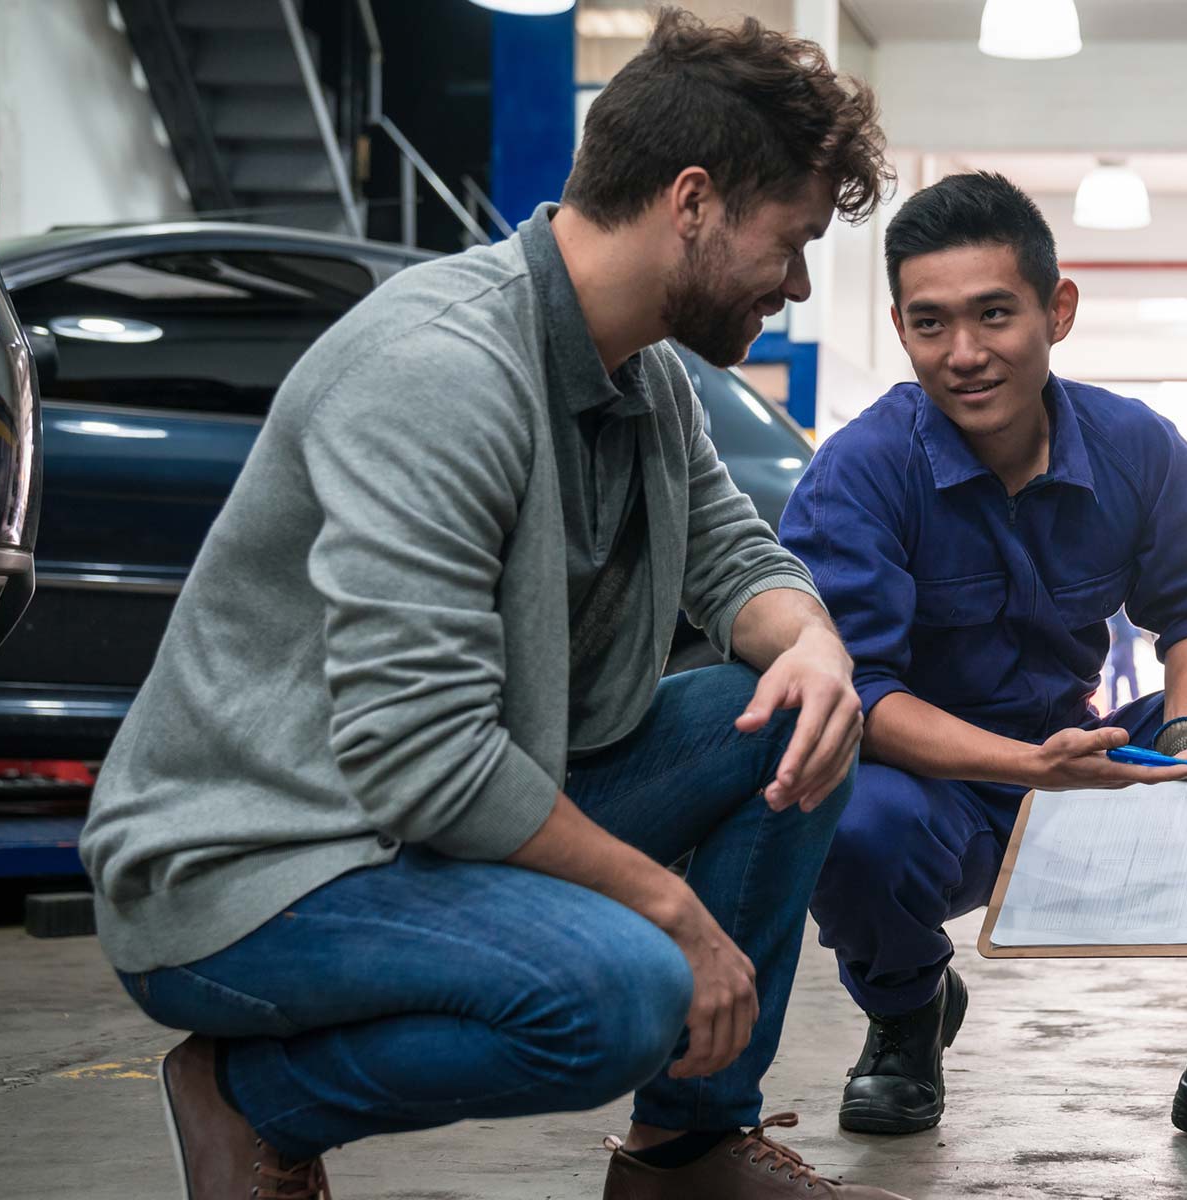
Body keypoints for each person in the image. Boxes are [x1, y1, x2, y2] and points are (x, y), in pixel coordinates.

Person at [77, 11, 908, 1200]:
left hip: (429, 820)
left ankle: (687, 1146)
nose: (795, 282)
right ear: (691, 200)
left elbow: (736, 562)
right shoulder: (439, 371)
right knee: (625, 988)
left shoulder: (646, 380)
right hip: (258, 869)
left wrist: (815, 646)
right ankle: (247, 1099)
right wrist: (670, 907)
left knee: (798, 715)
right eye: (789, 242)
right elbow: (420, 753)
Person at [779, 172, 1187, 1163]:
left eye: (993, 315)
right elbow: (858, 692)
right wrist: (1023, 770)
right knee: (846, 811)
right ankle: (907, 1010)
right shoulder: (861, 472)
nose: (962, 354)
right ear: (899, 328)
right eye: (930, 325)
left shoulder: (1132, 444)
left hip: (1085, 761)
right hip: (941, 787)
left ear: (1057, 311)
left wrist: (1184, 723)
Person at [1103, 605, 1141, 706]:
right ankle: (1115, 705)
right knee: (1123, 674)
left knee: (1126, 673)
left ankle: (1133, 702)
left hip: (1123, 641)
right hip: (1121, 642)